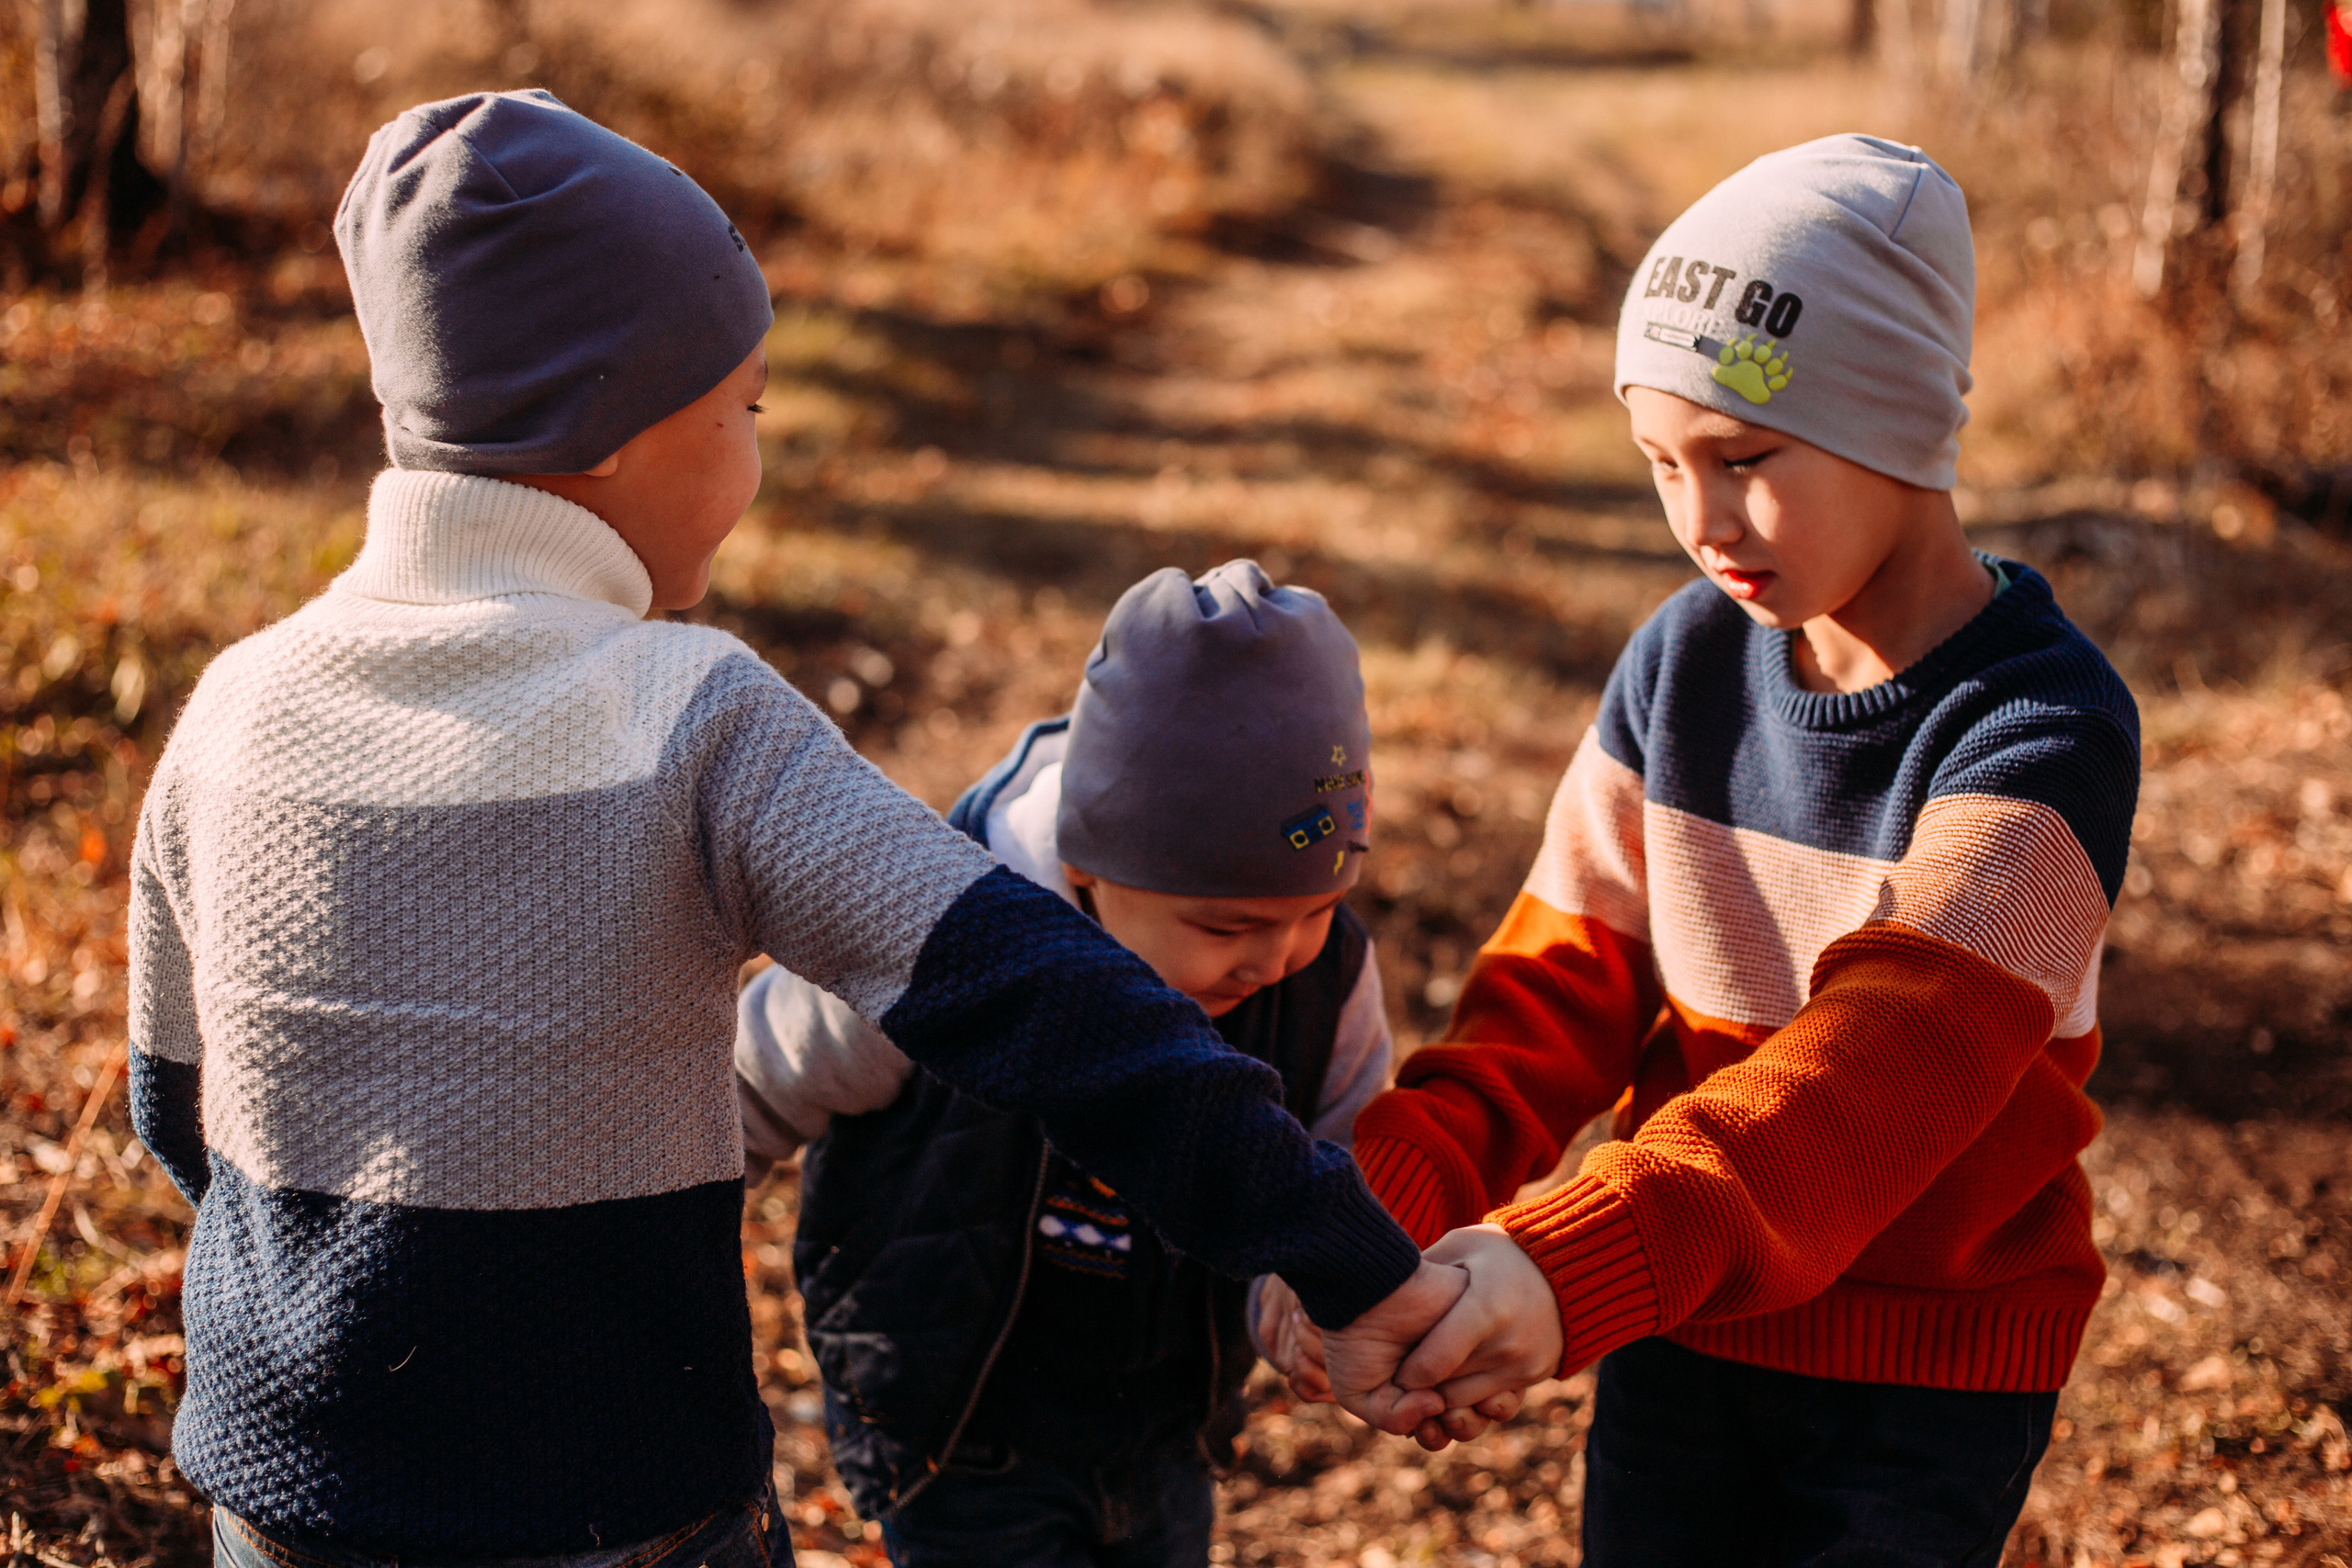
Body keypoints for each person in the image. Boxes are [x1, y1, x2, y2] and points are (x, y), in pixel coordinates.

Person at [124, 92, 1459, 1568]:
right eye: (744, 409)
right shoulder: (693, 714)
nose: (755, 461)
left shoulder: (234, 707)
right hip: (616, 1498)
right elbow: (1041, 990)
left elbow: (179, 1106)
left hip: (283, 1489)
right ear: (618, 428)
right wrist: (1337, 1246)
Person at [1311, 135, 2143, 1562]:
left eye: (1745, 460)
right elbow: (1555, 989)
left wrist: (1566, 1260)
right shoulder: (1686, 661)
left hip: (1925, 1373)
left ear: (1895, 426)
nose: (1700, 522)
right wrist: (1367, 1212)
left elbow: (1879, 1069)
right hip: (1685, 1325)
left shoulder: (2045, 728)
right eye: (1659, 464)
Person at [736, 561, 1392, 1566]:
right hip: (959, 1426)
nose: (1273, 958)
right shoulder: (936, 939)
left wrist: (1298, 1296)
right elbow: (746, 1082)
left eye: (1312, 914)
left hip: (1165, 1424)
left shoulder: (1326, 977)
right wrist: (629, 1240)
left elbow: (1339, 1153)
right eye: (1225, 925)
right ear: (1087, 872)